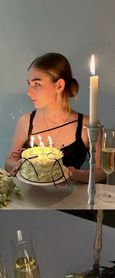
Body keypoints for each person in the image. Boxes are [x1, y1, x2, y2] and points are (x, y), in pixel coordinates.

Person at [5, 52, 105, 183]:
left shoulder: (88, 126)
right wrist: (18, 165)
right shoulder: (26, 121)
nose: (29, 92)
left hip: (69, 199)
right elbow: (9, 162)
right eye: (29, 84)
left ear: (59, 85)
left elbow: (102, 171)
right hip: (31, 197)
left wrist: (74, 174)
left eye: (37, 84)